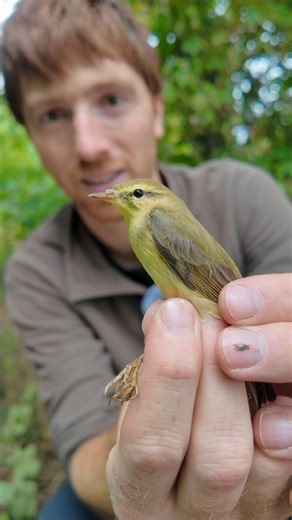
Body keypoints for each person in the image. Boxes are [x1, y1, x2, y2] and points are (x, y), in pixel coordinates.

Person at [2, 1, 291, 518]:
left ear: (158, 109)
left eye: (111, 99)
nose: (89, 146)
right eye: (53, 115)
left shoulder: (214, 206)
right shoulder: (33, 272)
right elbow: (85, 445)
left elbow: (216, 303)